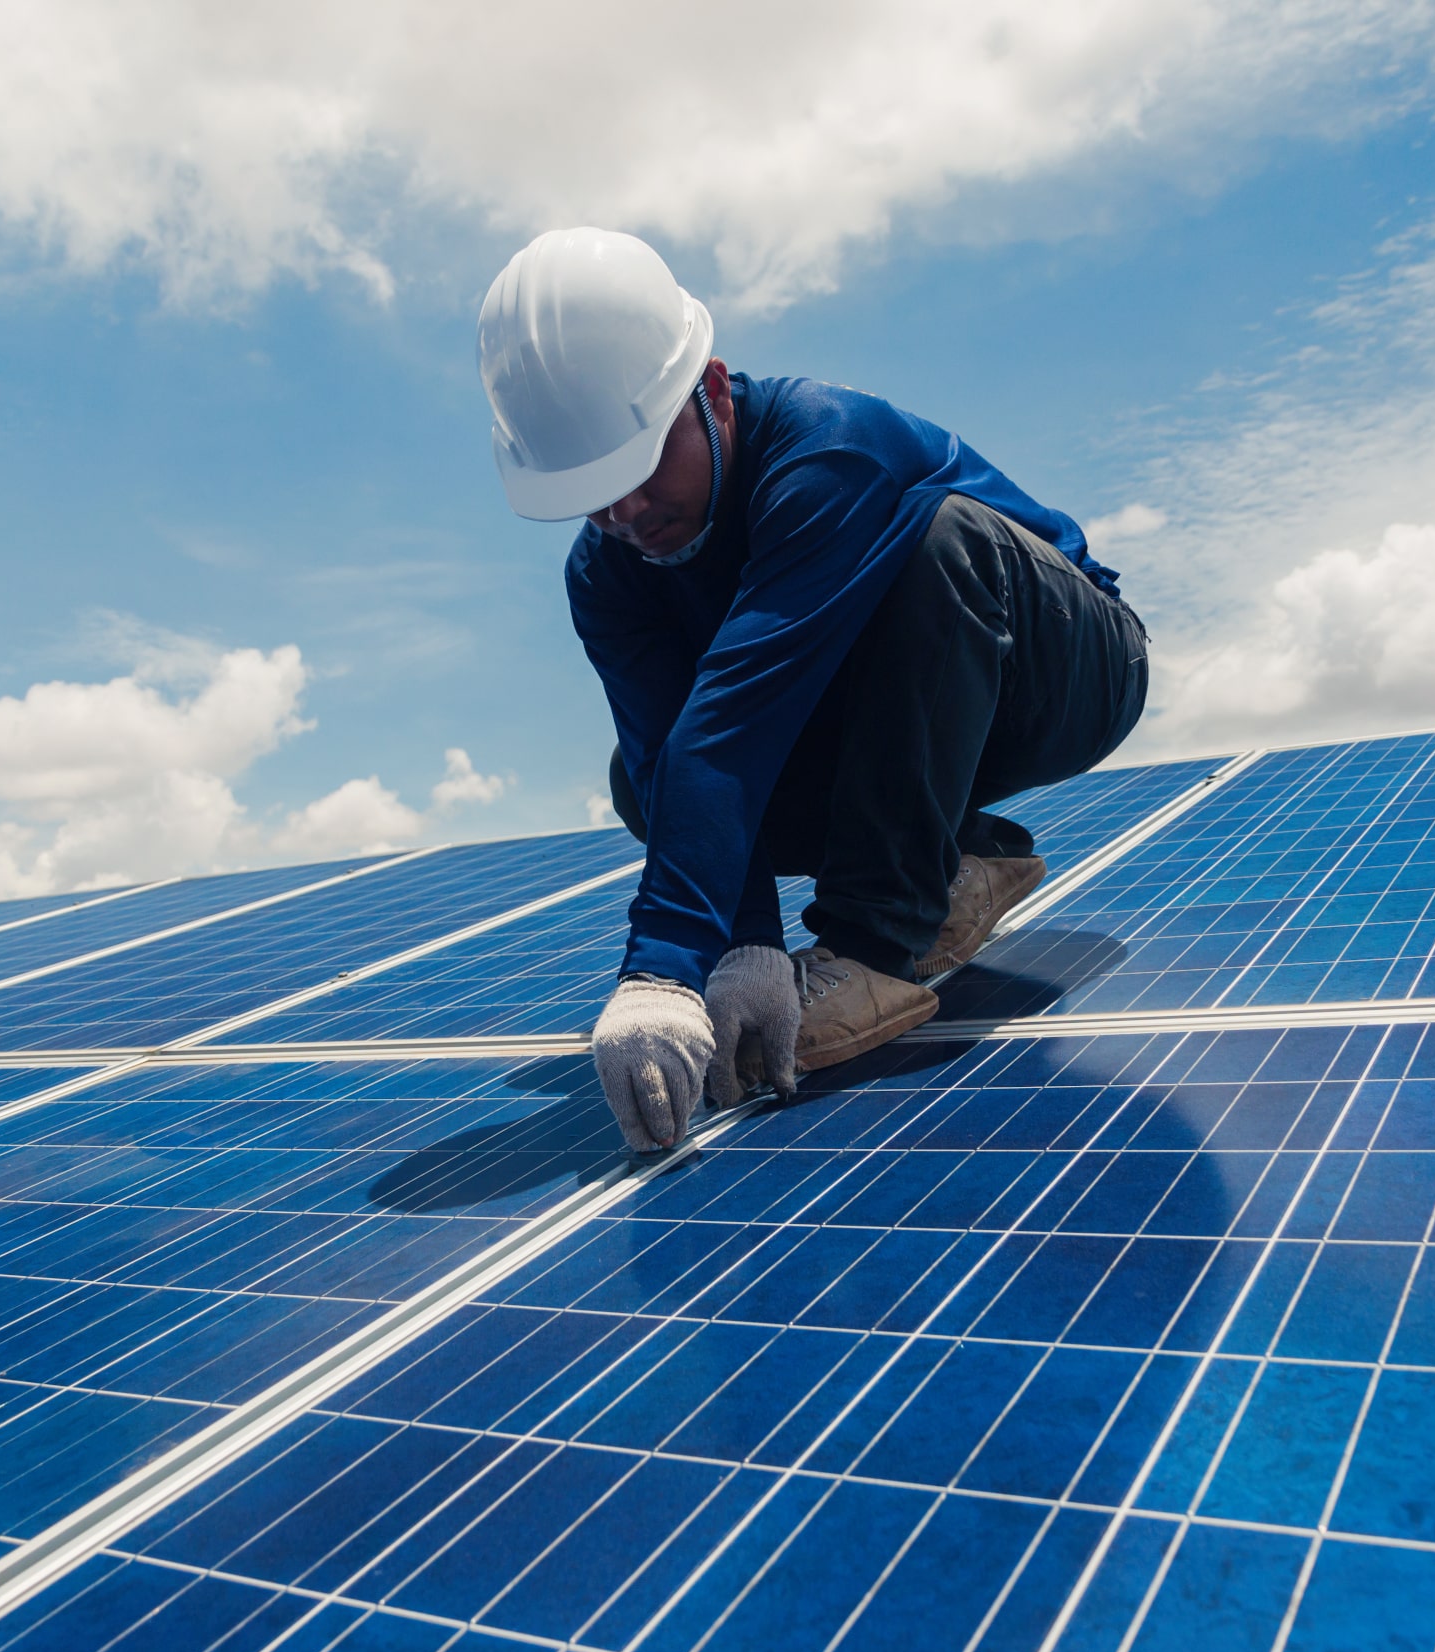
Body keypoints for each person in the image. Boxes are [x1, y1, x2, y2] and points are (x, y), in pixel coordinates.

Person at [478, 228, 1149, 1153]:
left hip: (1063, 666)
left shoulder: (828, 451)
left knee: (938, 540)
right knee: (648, 780)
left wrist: (666, 969)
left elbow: (737, 721)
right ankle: (955, 863)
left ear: (711, 392)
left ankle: (879, 942)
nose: (624, 513)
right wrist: (745, 943)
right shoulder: (608, 574)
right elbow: (681, 745)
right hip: (888, 715)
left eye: (638, 467)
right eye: (592, 493)